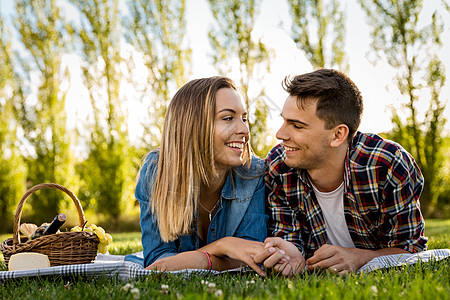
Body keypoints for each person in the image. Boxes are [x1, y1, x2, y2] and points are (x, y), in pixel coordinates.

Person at [254, 69, 427, 276]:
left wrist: (361, 257)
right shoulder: (278, 167)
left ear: (337, 135)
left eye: (297, 126)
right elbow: (290, 241)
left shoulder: (387, 165)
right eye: (284, 121)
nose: (280, 134)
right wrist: (290, 255)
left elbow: (410, 251)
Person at [135, 76, 267, 275]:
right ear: (194, 126)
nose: (244, 130)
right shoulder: (156, 172)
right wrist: (221, 247)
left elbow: (253, 258)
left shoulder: (252, 172)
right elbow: (158, 261)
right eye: (228, 118)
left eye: (244, 118)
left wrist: (196, 259)